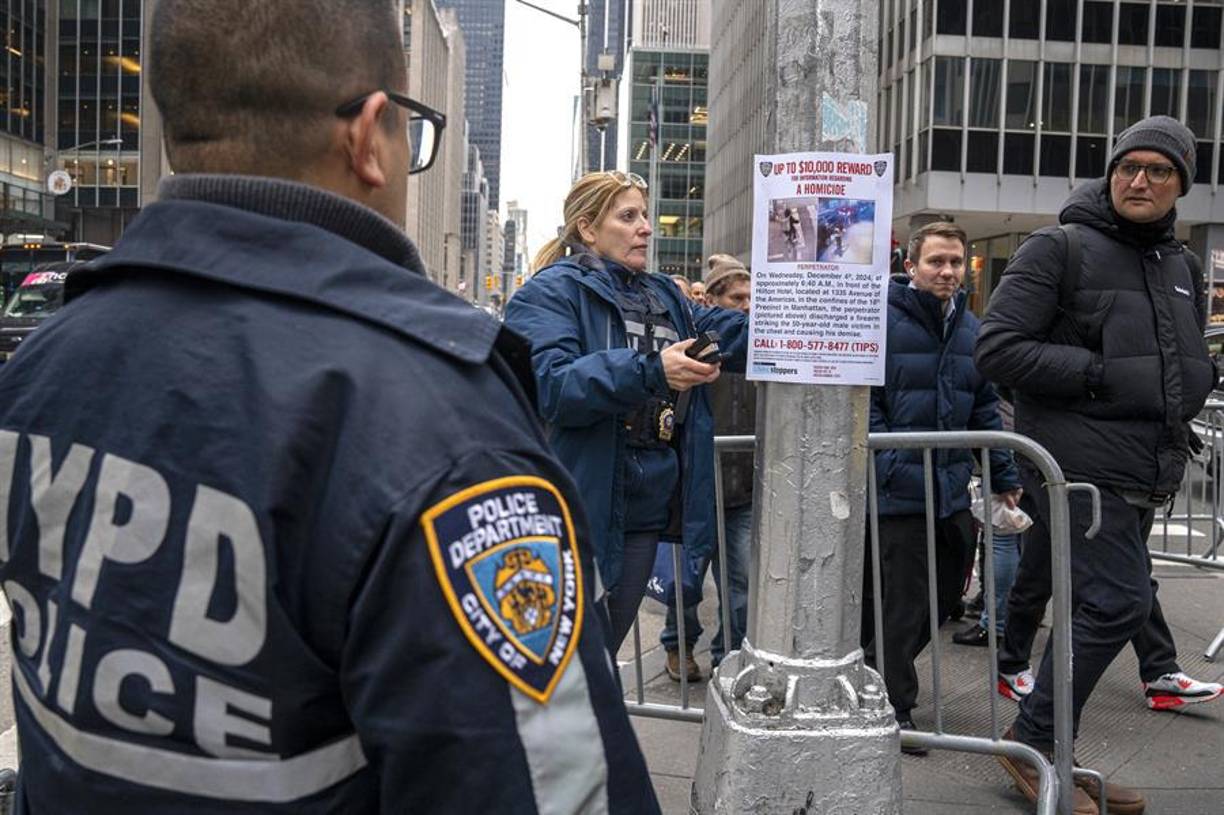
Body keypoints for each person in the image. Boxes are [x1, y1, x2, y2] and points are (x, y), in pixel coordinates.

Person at [0, 3, 659, 812]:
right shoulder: (441, 428)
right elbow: (553, 792)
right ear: (369, 135)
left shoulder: (45, 362)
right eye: (411, 132)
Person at [977, 115, 1218, 815]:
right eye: (1127, 167)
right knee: (1119, 602)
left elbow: (1172, 363)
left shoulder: (1181, 266)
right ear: (1110, 174)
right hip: (1076, 466)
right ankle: (1032, 737)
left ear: (1181, 184)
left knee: (1092, 604)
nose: (1139, 180)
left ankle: (1046, 746)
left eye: (1158, 170)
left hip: (1146, 468)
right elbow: (997, 350)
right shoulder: (1059, 248)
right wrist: (1100, 372)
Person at [503, 171, 749, 653]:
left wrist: (821, 315)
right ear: (588, 228)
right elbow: (553, 385)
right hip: (578, 506)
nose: (646, 228)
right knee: (562, 659)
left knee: (601, 652)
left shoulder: (666, 295)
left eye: (645, 216)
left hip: (643, 512)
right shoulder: (551, 292)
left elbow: (731, 332)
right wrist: (653, 370)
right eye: (628, 216)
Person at [861, 221, 1022, 756]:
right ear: (911, 266)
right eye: (936, 261)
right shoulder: (880, 321)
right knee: (904, 603)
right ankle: (894, 707)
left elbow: (984, 409)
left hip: (950, 489)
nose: (948, 271)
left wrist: (1003, 477)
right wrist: (889, 465)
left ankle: (872, 671)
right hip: (897, 492)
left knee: (949, 591)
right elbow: (867, 404)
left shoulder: (970, 328)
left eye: (955, 262)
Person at [659, 254, 754, 681]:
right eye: (737, 298)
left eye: (751, 298)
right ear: (712, 301)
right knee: (687, 581)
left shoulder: (756, 348)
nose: (747, 306)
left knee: (741, 584)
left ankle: (728, 659)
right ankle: (678, 645)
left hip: (743, 488)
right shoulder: (693, 347)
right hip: (696, 486)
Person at [952, 395, 1023, 650]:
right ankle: (1007, 614)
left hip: (1001, 441)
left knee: (1001, 539)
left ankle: (996, 623)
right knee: (1012, 538)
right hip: (1016, 438)